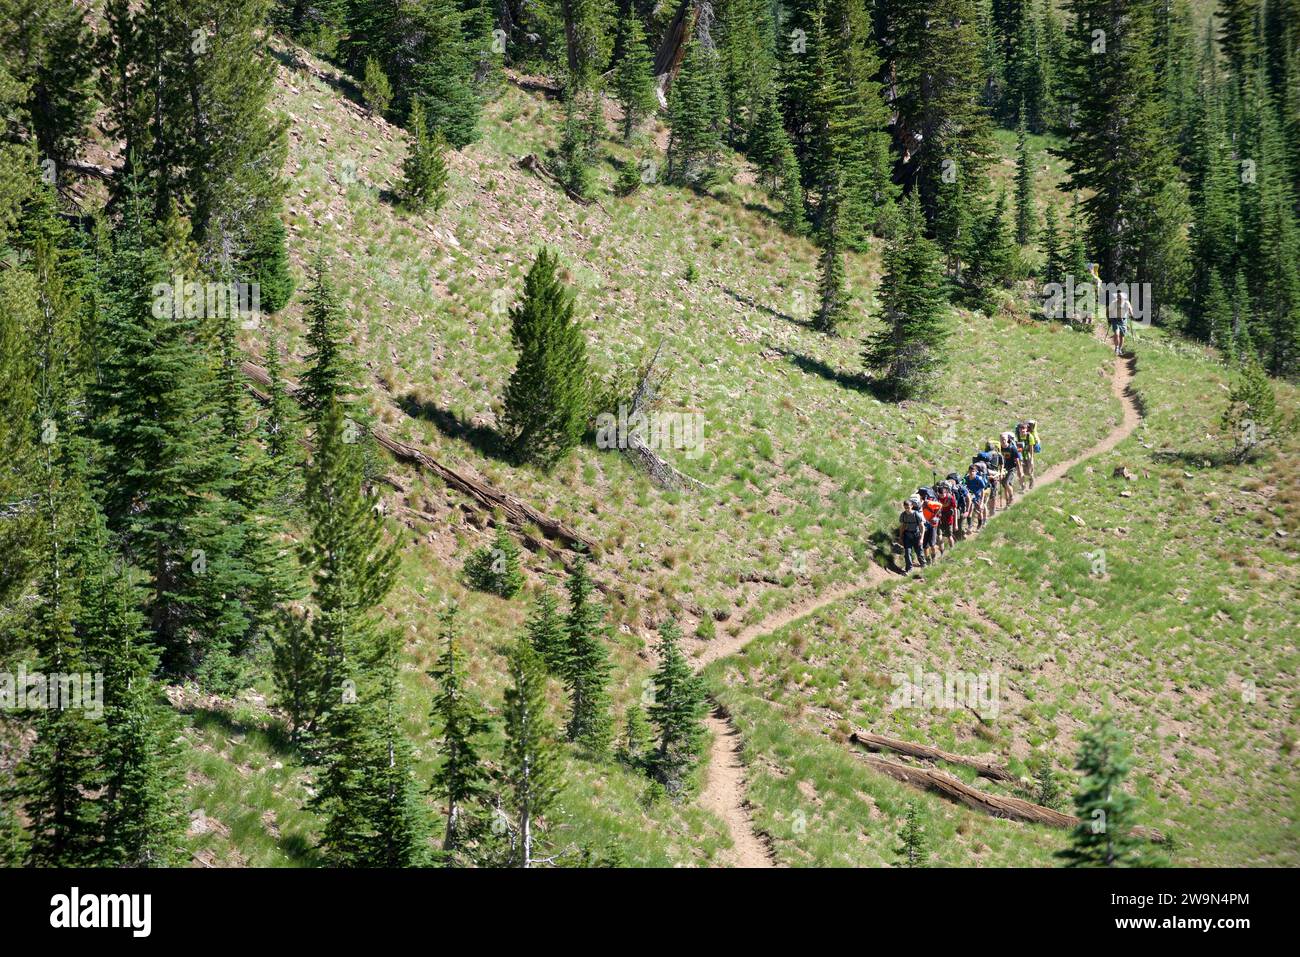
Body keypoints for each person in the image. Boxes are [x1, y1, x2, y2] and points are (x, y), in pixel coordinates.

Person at [898, 498, 926, 573]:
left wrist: (921, 539)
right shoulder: (903, 515)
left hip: (916, 535)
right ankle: (909, 569)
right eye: (905, 508)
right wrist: (900, 537)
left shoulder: (916, 514)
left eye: (908, 507)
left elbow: (922, 527)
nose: (907, 509)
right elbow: (902, 526)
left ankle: (924, 565)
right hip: (907, 536)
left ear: (912, 506)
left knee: (919, 552)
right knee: (907, 552)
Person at [1109, 286, 1134, 356]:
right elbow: (1109, 310)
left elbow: (1130, 309)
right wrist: (1109, 318)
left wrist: (1131, 313)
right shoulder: (1114, 302)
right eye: (1118, 296)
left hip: (1123, 320)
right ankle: (1116, 348)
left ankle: (1120, 349)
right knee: (1117, 334)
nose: (1119, 298)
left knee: (1122, 336)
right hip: (1115, 320)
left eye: (1120, 296)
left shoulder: (1126, 303)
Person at [920, 487, 943, 563]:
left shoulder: (928, 503)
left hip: (932, 525)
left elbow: (940, 505)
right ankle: (928, 560)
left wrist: (934, 516)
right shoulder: (918, 505)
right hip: (926, 525)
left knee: (932, 544)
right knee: (925, 545)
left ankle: (933, 559)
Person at [964, 463, 989, 530]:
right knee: (969, 511)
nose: (972, 473)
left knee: (979, 511)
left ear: (976, 472)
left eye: (973, 471)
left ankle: (979, 525)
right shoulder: (966, 479)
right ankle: (970, 526)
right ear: (968, 471)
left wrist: (981, 502)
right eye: (970, 471)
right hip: (970, 497)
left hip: (978, 497)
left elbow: (982, 491)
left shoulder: (979, 479)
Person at [999, 431, 1021, 507]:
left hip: (1011, 468)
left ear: (1007, 439)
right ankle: (1007, 501)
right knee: (1004, 485)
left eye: (1004, 439)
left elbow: (1017, 460)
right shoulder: (999, 449)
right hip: (1003, 469)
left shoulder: (1012, 448)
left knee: (1007, 483)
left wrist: (1019, 470)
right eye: (1001, 439)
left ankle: (1011, 497)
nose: (1003, 440)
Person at [937, 481, 958, 549]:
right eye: (940, 495)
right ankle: (942, 552)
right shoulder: (937, 498)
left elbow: (955, 509)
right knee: (940, 537)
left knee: (949, 537)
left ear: (946, 493)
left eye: (943, 495)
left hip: (949, 519)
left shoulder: (950, 498)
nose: (942, 497)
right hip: (940, 520)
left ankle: (952, 550)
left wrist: (956, 524)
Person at [1018, 421, 1036, 489]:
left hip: (1028, 455)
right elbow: (1018, 447)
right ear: (1019, 429)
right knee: (1023, 471)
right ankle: (1023, 485)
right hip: (1021, 455)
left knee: (1030, 471)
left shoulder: (1029, 436)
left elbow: (1031, 448)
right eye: (1021, 428)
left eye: (1024, 428)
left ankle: (1032, 480)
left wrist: (1031, 458)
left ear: (1026, 429)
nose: (1022, 430)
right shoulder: (1018, 436)